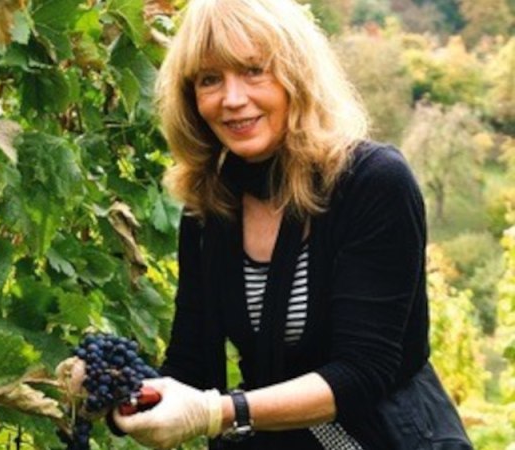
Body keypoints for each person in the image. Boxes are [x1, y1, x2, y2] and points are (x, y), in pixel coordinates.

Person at [103, 0, 473, 449]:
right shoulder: (211, 209)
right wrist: (118, 388)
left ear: (296, 76)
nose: (232, 99)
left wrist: (220, 412)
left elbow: (362, 373)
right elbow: (190, 366)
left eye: (254, 70)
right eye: (210, 79)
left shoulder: (372, 183)